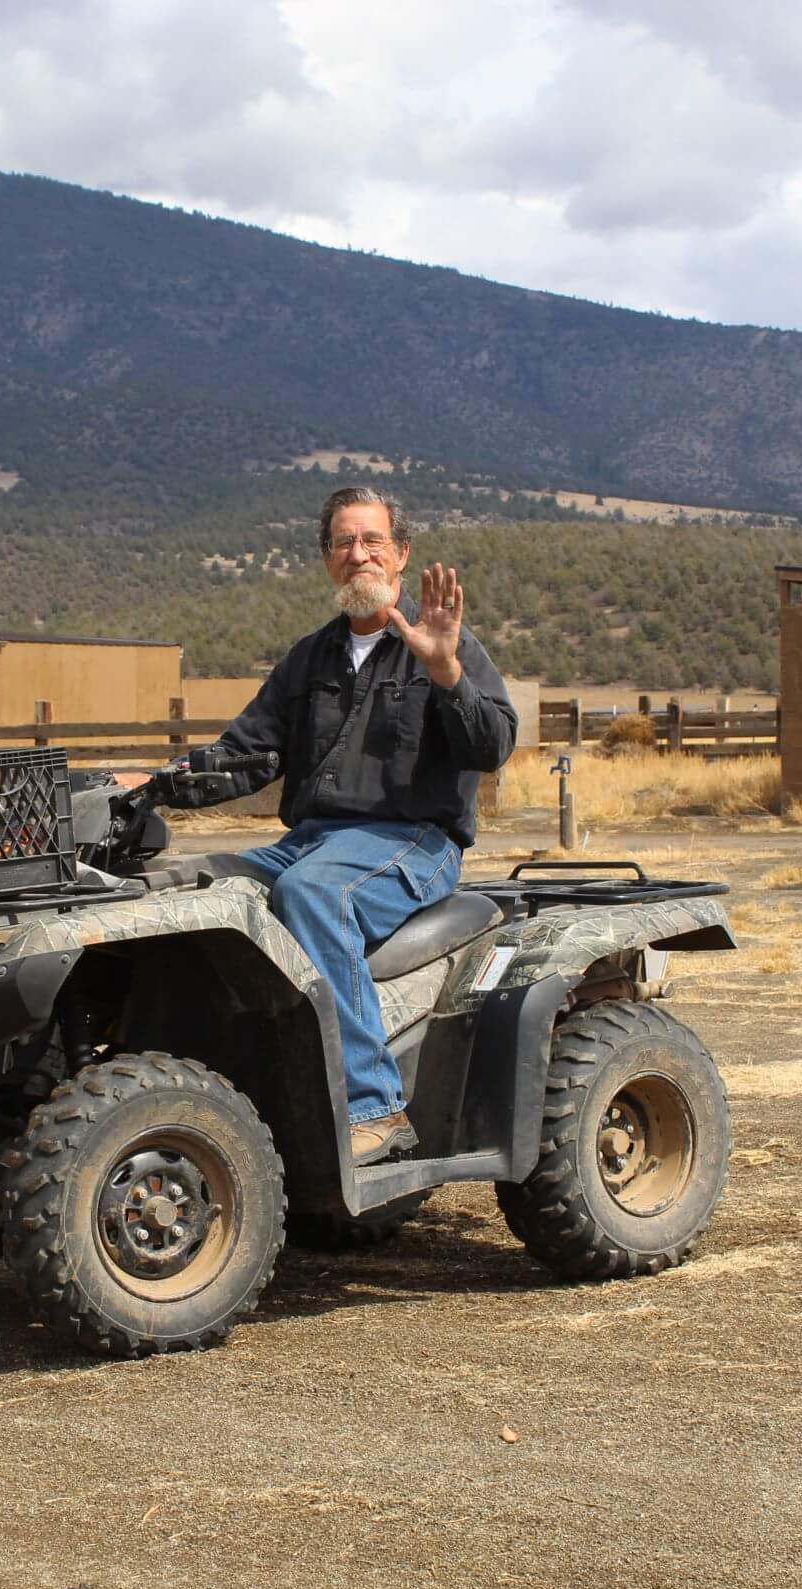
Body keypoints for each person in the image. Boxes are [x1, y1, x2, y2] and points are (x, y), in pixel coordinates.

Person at [214, 485, 517, 1165]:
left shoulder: (446, 644)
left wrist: (445, 674)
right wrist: (149, 784)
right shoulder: (309, 659)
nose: (360, 555)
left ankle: (373, 1108)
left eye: (373, 540)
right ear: (327, 560)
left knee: (316, 895)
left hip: (410, 841)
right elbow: (244, 754)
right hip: (310, 842)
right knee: (193, 887)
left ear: (401, 554)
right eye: (345, 543)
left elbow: (491, 745)